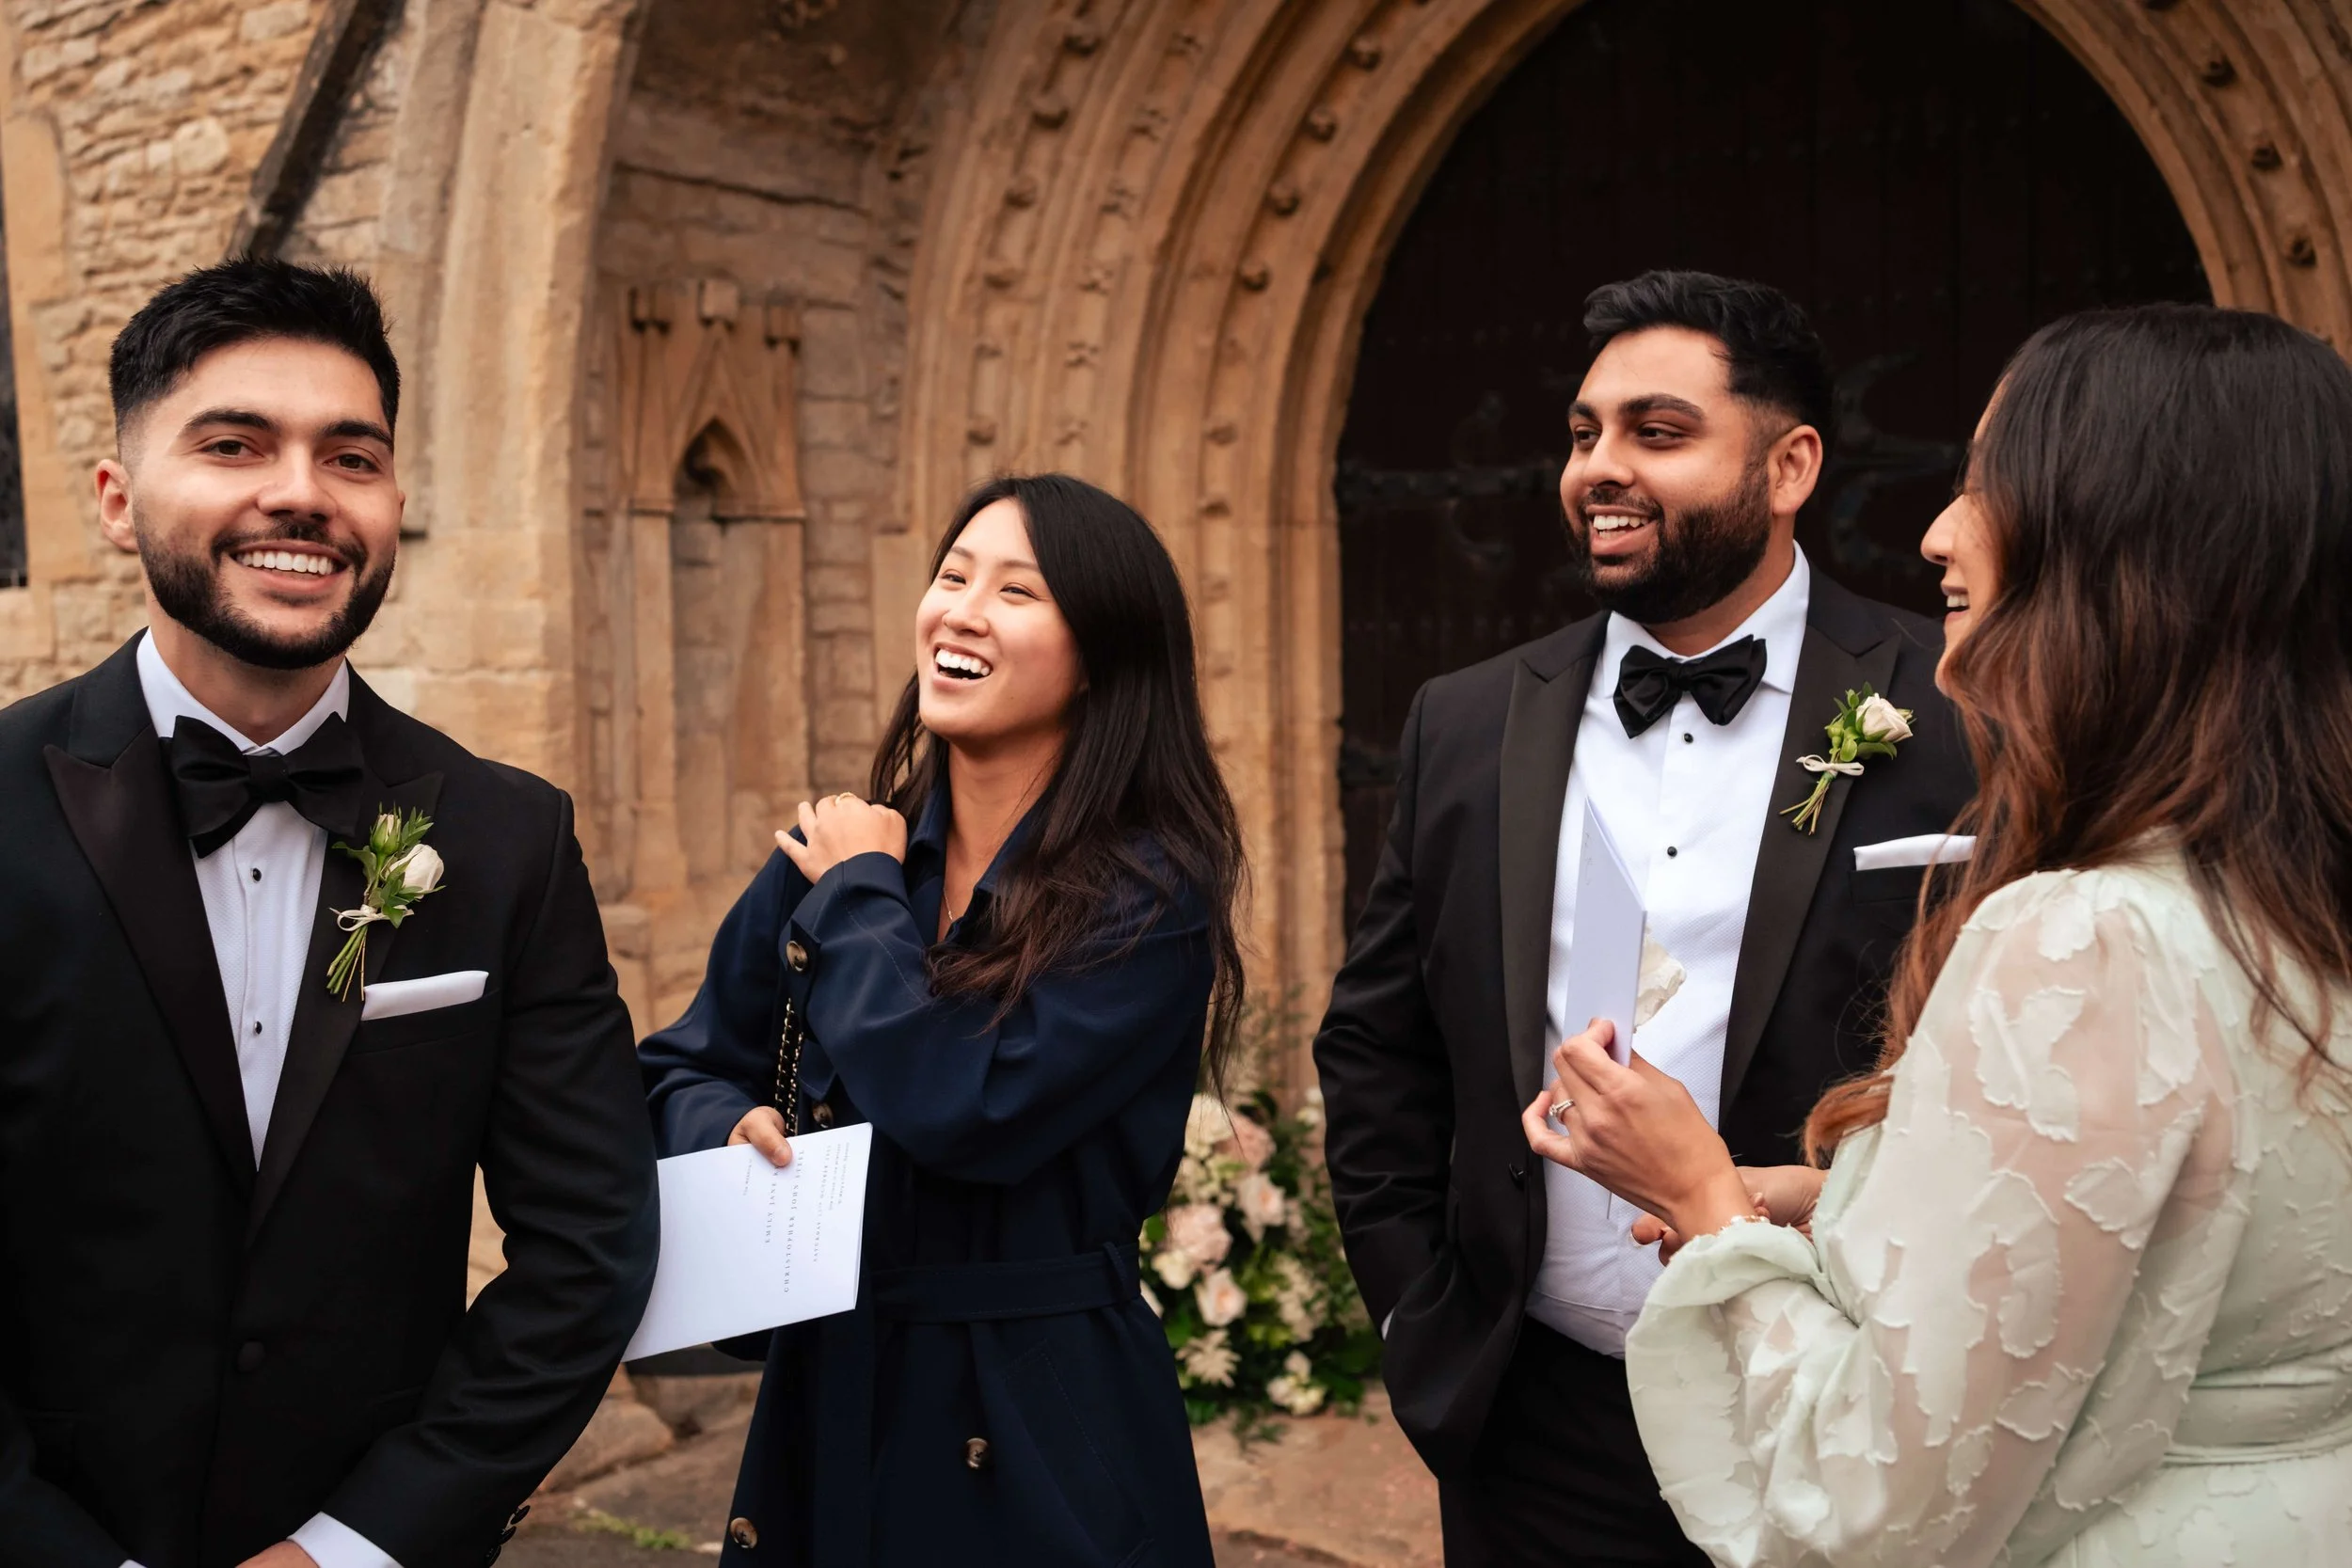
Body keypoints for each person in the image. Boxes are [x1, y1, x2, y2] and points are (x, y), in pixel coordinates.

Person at [1527, 302, 2352, 1566]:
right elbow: (2207, 1216)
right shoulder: (2293, 895)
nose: (1936, 531)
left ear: (2117, 535)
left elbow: (1871, 1503)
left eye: (1982, 481)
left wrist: (1700, 1197)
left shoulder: (2081, 937)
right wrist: (1850, 1193)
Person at [0, 261, 659, 1566]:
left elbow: (590, 1247)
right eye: (234, 442)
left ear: (394, 506)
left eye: (349, 454)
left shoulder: (509, 835)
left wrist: (355, 1544)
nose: (301, 490)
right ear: (119, 503)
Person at [1312, 270, 1975, 1566]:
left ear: (1788, 467)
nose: (1598, 468)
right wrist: (1419, 1316)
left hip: (1828, 1398)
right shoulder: (1467, 717)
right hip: (1537, 1415)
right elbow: (1377, 1042)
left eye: (1656, 433)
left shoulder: (1953, 709)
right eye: (1583, 432)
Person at [640, 472, 1246, 1566]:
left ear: (1101, 653)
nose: (960, 609)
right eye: (951, 574)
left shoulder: (1150, 892)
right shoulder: (839, 855)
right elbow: (676, 1066)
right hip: (832, 1383)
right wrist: (722, 1128)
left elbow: (967, 1102)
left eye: (1017, 591)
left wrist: (859, 895)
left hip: (1040, 1405)